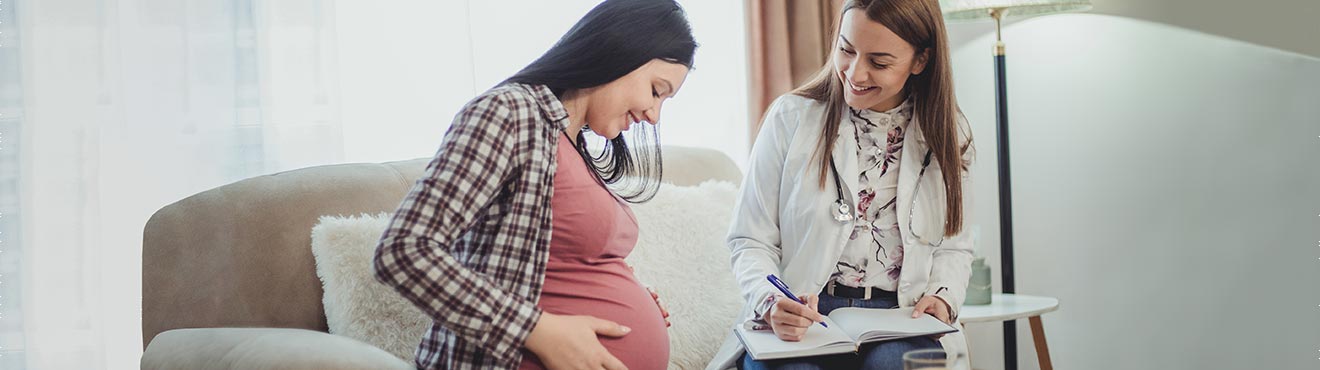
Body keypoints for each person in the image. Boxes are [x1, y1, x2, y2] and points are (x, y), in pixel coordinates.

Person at [372, 1, 696, 369]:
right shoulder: (510, 113)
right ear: (621, 50)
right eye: (656, 91)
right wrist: (537, 330)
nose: (654, 117)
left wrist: (625, 296)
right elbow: (402, 249)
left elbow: (552, 260)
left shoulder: (571, 144)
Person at [707, 0, 974, 369]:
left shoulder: (947, 135)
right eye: (846, 50)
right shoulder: (791, 117)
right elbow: (749, 239)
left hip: (898, 321)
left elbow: (954, 247)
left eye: (878, 62)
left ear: (920, 61)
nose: (855, 73)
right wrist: (770, 301)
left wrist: (944, 297)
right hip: (805, 317)